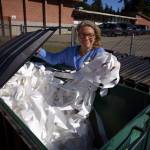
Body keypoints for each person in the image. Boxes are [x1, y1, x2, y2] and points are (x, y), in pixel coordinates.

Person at [36, 20, 105, 70]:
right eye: (82, 34)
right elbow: (53, 59)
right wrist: (38, 50)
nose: (86, 38)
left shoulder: (99, 53)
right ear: (78, 36)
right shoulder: (69, 51)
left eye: (90, 35)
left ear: (95, 37)